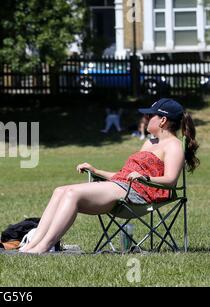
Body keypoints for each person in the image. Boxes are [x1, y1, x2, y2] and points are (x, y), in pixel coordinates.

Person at [20, 99, 199, 253]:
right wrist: (96, 170)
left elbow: (170, 181)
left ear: (163, 121)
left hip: (139, 195)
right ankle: (31, 246)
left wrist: (145, 178)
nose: (145, 118)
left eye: (149, 115)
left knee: (72, 193)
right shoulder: (149, 142)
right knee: (60, 190)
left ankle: (43, 247)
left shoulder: (173, 146)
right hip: (123, 186)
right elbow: (124, 175)